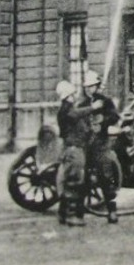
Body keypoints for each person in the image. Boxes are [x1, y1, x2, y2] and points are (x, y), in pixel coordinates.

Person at [82, 70, 120, 224]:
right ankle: (80, 209)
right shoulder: (84, 103)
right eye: (87, 87)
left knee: (105, 174)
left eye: (91, 86)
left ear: (97, 86)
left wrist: (103, 121)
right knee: (83, 176)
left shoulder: (105, 101)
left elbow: (115, 116)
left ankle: (112, 211)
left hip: (101, 143)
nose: (89, 89)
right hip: (86, 143)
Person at [55, 79, 94, 225]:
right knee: (74, 181)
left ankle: (63, 214)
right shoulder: (67, 110)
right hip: (74, 150)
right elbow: (75, 115)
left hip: (72, 149)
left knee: (70, 181)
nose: (75, 96)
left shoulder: (67, 109)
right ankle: (71, 216)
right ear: (68, 95)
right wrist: (93, 108)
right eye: (73, 94)